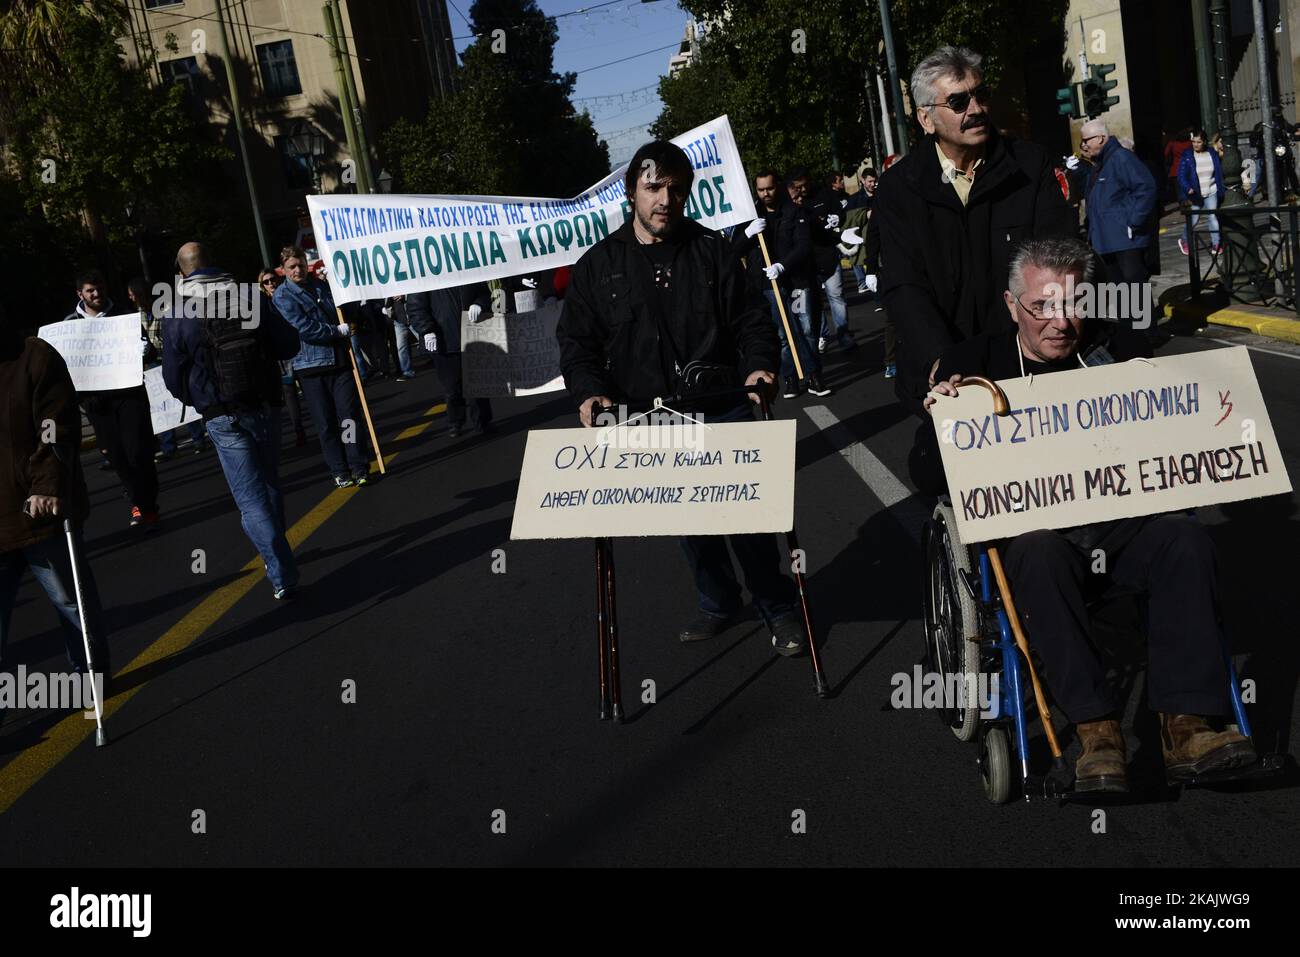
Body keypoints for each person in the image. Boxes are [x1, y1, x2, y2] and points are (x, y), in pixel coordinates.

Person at [923, 237, 1255, 791]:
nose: (1060, 323)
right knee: (1037, 549)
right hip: (1039, 539)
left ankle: (1187, 725)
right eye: (1042, 307)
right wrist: (943, 421)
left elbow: (1177, 430)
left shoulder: (1115, 352)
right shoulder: (972, 364)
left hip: (1123, 529)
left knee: (1185, 541)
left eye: (1072, 305)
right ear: (1012, 306)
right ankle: (1098, 732)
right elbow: (925, 471)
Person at [557, 139, 808, 656]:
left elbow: (751, 322)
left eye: (676, 189)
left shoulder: (714, 251)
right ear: (631, 193)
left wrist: (762, 366)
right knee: (688, 522)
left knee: (747, 517)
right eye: (653, 188)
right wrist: (590, 394)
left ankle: (777, 606)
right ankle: (717, 601)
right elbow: (577, 344)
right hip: (649, 415)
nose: (664, 200)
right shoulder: (598, 266)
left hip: (723, 404)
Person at [875, 46, 1074, 414]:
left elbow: (1061, 259)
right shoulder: (899, 188)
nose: (976, 109)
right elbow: (904, 286)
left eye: (981, 95)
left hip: (1028, 369)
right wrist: (939, 362)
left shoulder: (1030, 166)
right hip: (946, 380)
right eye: (958, 102)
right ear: (926, 119)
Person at [163, 243, 301, 598]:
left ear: (182, 275)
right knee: (270, 483)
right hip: (265, 404)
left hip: (221, 415)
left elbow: (172, 378)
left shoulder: (178, 312)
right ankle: (279, 551)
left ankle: (280, 571)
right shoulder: (249, 296)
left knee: (250, 499)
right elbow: (288, 344)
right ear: (213, 264)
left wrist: (200, 401)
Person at [0, 300, 111, 698]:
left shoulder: (35, 356)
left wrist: (46, 484)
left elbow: (56, 428)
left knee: (71, 603)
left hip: (37, 514)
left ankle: (90, 675)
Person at [59, 270, 161, 528]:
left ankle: (146, 505)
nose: (96, 294)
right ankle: (139, 500)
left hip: (129, 397)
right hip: (97, 402)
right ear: (80, 294)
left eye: (99, 288)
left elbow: (147, 354)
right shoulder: (70, 324)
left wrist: (144, 350)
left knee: (139, 451)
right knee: (117, 456)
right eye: (90, 290)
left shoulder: (124, 317)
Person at [273, 245, 373, 488]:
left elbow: (347, 312)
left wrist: (338, 285)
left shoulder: (321, 286)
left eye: (301, 265)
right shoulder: (283, 296)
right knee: (326, 423)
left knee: (348, 418)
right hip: (310, 366)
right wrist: (334, 331)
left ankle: (358, 465)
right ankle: (339, 469)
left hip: (339, 362)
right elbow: (302, 327)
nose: (298, 270)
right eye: (292, 267)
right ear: (284, 270)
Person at [731, 169, 826, 400]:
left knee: (806, 329)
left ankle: (813, 374)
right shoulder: (750, 215)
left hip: (796, 283)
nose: (766, 193)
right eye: (761, 189)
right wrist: (747, 232)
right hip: (766, 285)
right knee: (783, 334)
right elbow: (733, 250)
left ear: (778, 186)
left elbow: (803, 246)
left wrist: (783, 265)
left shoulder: (794, 212)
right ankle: (791, 377)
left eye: (770, 188)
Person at [129, 276, 209, 460]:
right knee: (161, 406)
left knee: (181, 398)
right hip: (153, 360)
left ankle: (198, 439)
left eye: (132, 294)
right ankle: (169, 447)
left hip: (170, 356)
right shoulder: (139, 312)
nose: (131, 298)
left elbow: (171, 331)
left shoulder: (164, 308)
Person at [406, 282, 494, 438]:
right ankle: (455, 422)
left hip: (471, 335)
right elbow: (415, 307)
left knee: (477, 385)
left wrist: (479, 303)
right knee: (452, 387)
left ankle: (482, 422)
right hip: (443, 339)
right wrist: (426, 330)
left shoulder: (467, 270)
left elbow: (484, 293)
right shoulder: (425, 277)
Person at [1079, 118, 1158, 292]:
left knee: (1136, 300)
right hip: (1105, 243)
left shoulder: (1121, 157)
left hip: (1126, 242)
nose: (1083, 145)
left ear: (1100, 138)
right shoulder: (1099, 165)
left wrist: (1133, 222)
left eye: (1086, 140)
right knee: (1121, 299)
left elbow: (1146, 187)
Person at [795, 168, 855, 355]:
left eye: (805, 185)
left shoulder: (825, 193)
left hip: (827, 255)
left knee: (836, 296)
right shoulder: (794, 202)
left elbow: (839, 210)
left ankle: (843, 334)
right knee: (815, 302)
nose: (803, 190)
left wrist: (838, 217)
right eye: (798, 187)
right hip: (807, 261)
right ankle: (822, 334)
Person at [258, 268, 307, 447]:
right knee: (289, 393)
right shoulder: (262, 304)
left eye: (273, 279)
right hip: (280, 354)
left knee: (307, 386)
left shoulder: (287, 296)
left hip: (298, 348)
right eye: (266, 281)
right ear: (261, 285)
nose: (271, 283)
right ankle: (298, 430)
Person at [1176, 128, 1226, 256]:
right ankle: (1184, 240)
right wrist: (1188, 188)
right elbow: (1181, 175)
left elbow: (1218, 171)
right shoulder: (1187, 155)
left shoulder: (1211, 153)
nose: (1195, 144)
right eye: (1193, 142)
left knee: (1212, 216)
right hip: (1196, 192)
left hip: (1211, 190)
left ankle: (1216, 244)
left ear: (1204, 142)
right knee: (1194, 219)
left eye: (1198, 142)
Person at [383, 294, 418, 381]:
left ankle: (440, 361)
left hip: (413, 316)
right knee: (401, 347)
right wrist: (386, 310)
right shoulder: (388, 286)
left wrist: (405, 296)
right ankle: (407, 371)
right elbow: (385, 302)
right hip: (398, 321)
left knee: (425, 340)